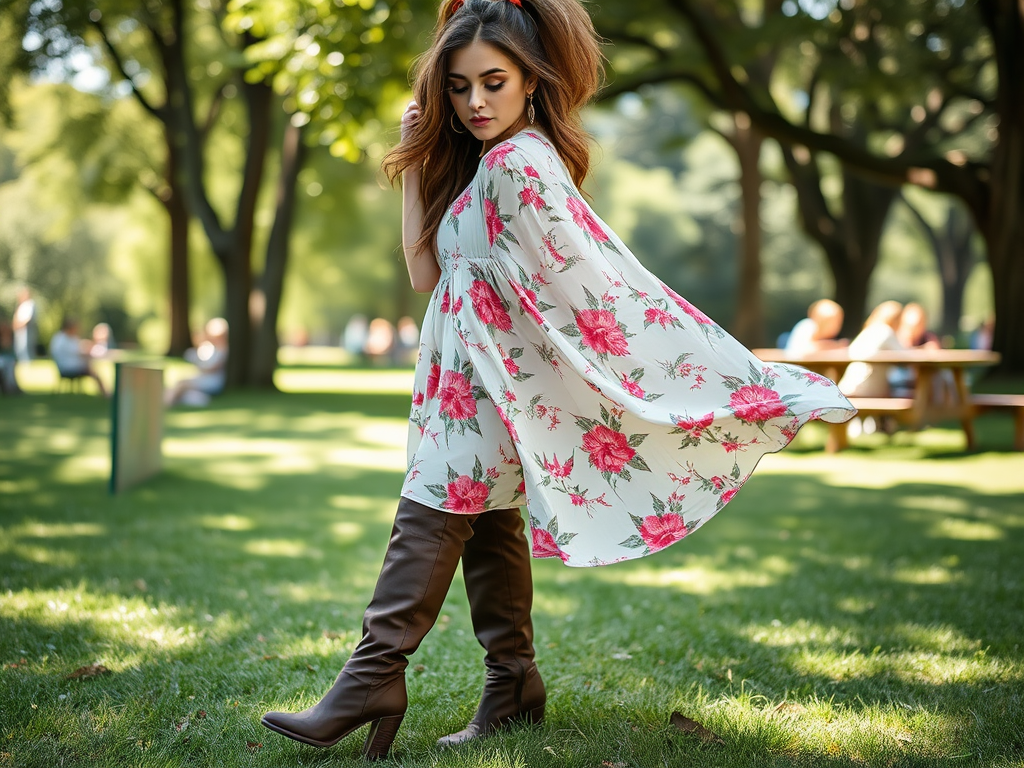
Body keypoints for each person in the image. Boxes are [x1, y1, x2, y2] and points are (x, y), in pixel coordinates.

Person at [260, 0, 856, 757]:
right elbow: (424, 273)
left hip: (487, 385)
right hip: (468, 383)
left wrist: (666, 375)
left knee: (431, 510)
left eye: (494, 83)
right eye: (458, 86)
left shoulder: (521, 164)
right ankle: (512, 685)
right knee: (489, 523)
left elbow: (597, 286)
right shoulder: (487, 164)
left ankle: (374, 676)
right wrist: (414, 158)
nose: (475, 102)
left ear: (530, 83)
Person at [837, 300, 905, 398]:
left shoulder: (868, 331)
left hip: (849, 385)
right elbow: (904, 356)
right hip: (868, 389)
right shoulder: (885, 331)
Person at [164, 318, 228, 407]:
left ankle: (166, 404)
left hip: (212, 382)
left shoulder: (223, 351)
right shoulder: (209, 348)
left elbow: (212, 368)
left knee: (181, 384)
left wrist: (199, 365)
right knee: (178, 386)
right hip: (203, 378)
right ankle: (164, 401)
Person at [49, 318, 108, 397]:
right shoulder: (62, 339)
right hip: (67, 367)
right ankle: (105, 393)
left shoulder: (64, 338)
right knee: (92, 370)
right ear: (70, 327)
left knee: (90, 367)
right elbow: (78, 351)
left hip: (67, 365)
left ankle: (104, 392)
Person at [12, 287, 38, 362]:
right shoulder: (21, 305)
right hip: (18, 329)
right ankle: (21, 361)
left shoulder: (29, 304)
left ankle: (26, 362)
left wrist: (20, 326)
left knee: (24, 347)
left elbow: (28, 318)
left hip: (24, 329)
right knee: (18, 347)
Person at [0, 319, 22, 395]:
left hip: (8, 360)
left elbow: (12, 353)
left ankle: (10, 388)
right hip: (3, 359)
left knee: (9, 366)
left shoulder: (11, 341)